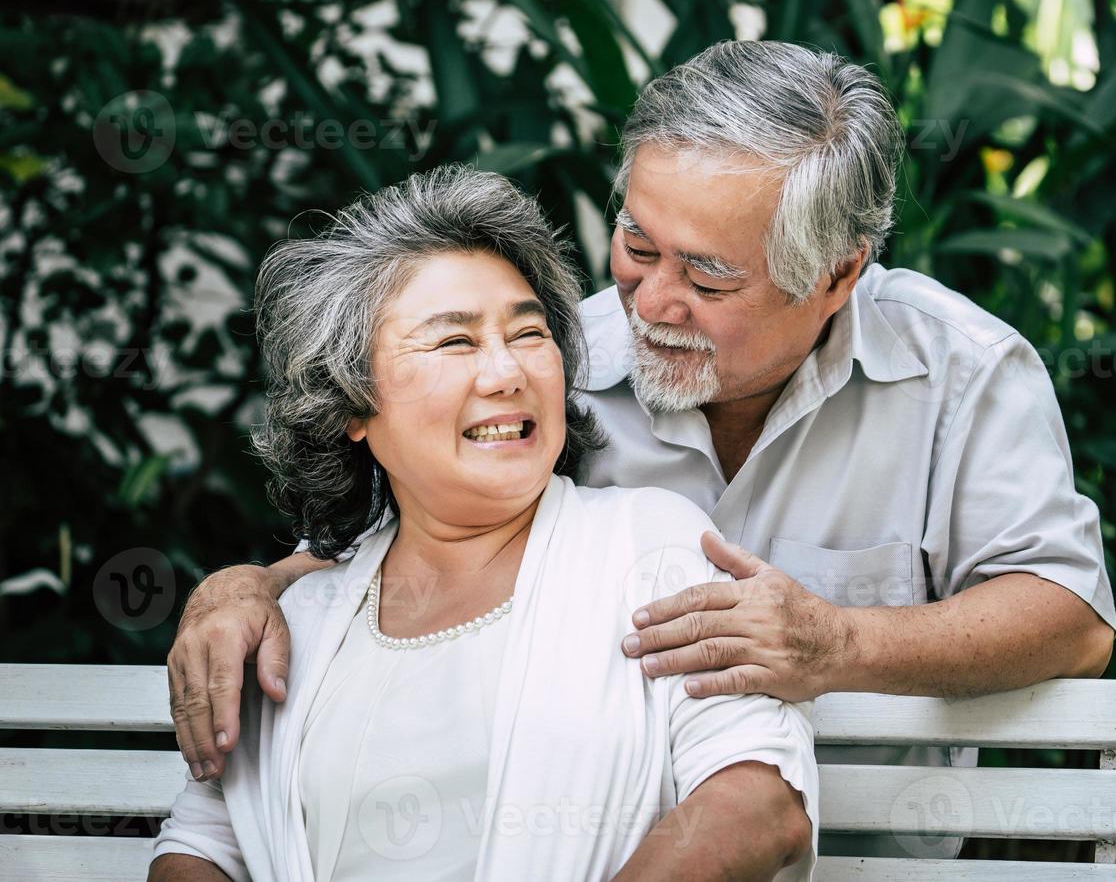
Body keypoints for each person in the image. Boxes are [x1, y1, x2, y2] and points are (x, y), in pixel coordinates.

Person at [168, 40, 1116, 859]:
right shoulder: (549, 367)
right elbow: (389, 546)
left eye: (708, 273)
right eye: (636, 241)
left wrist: (838, 644)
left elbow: (1072, 618)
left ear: (837, 274)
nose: (652, 300)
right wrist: (249, 584)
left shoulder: (962, 369)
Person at [149, 167, 816, 881]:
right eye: (454, 343)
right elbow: (203, 845)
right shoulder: (298, 622)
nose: (507, 373)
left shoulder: (649, 548)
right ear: (350, 405)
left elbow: (756, 796)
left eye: (529, 334)